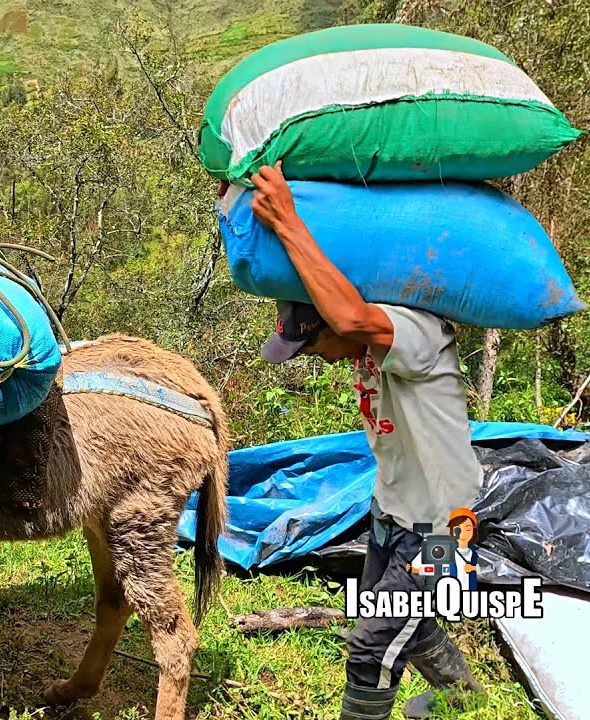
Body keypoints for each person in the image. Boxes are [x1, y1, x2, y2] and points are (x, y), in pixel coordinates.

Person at [247, 162, 485, 720]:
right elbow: (346, 319)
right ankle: (467, 700)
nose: (317, 359)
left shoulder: (416, 335)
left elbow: (352, 314)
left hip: (439, 528)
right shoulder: (366, 348)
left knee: (370, 647)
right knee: (407, 621)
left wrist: (286, 220)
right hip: (390, 513)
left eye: (313, 346)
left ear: (334, 326)